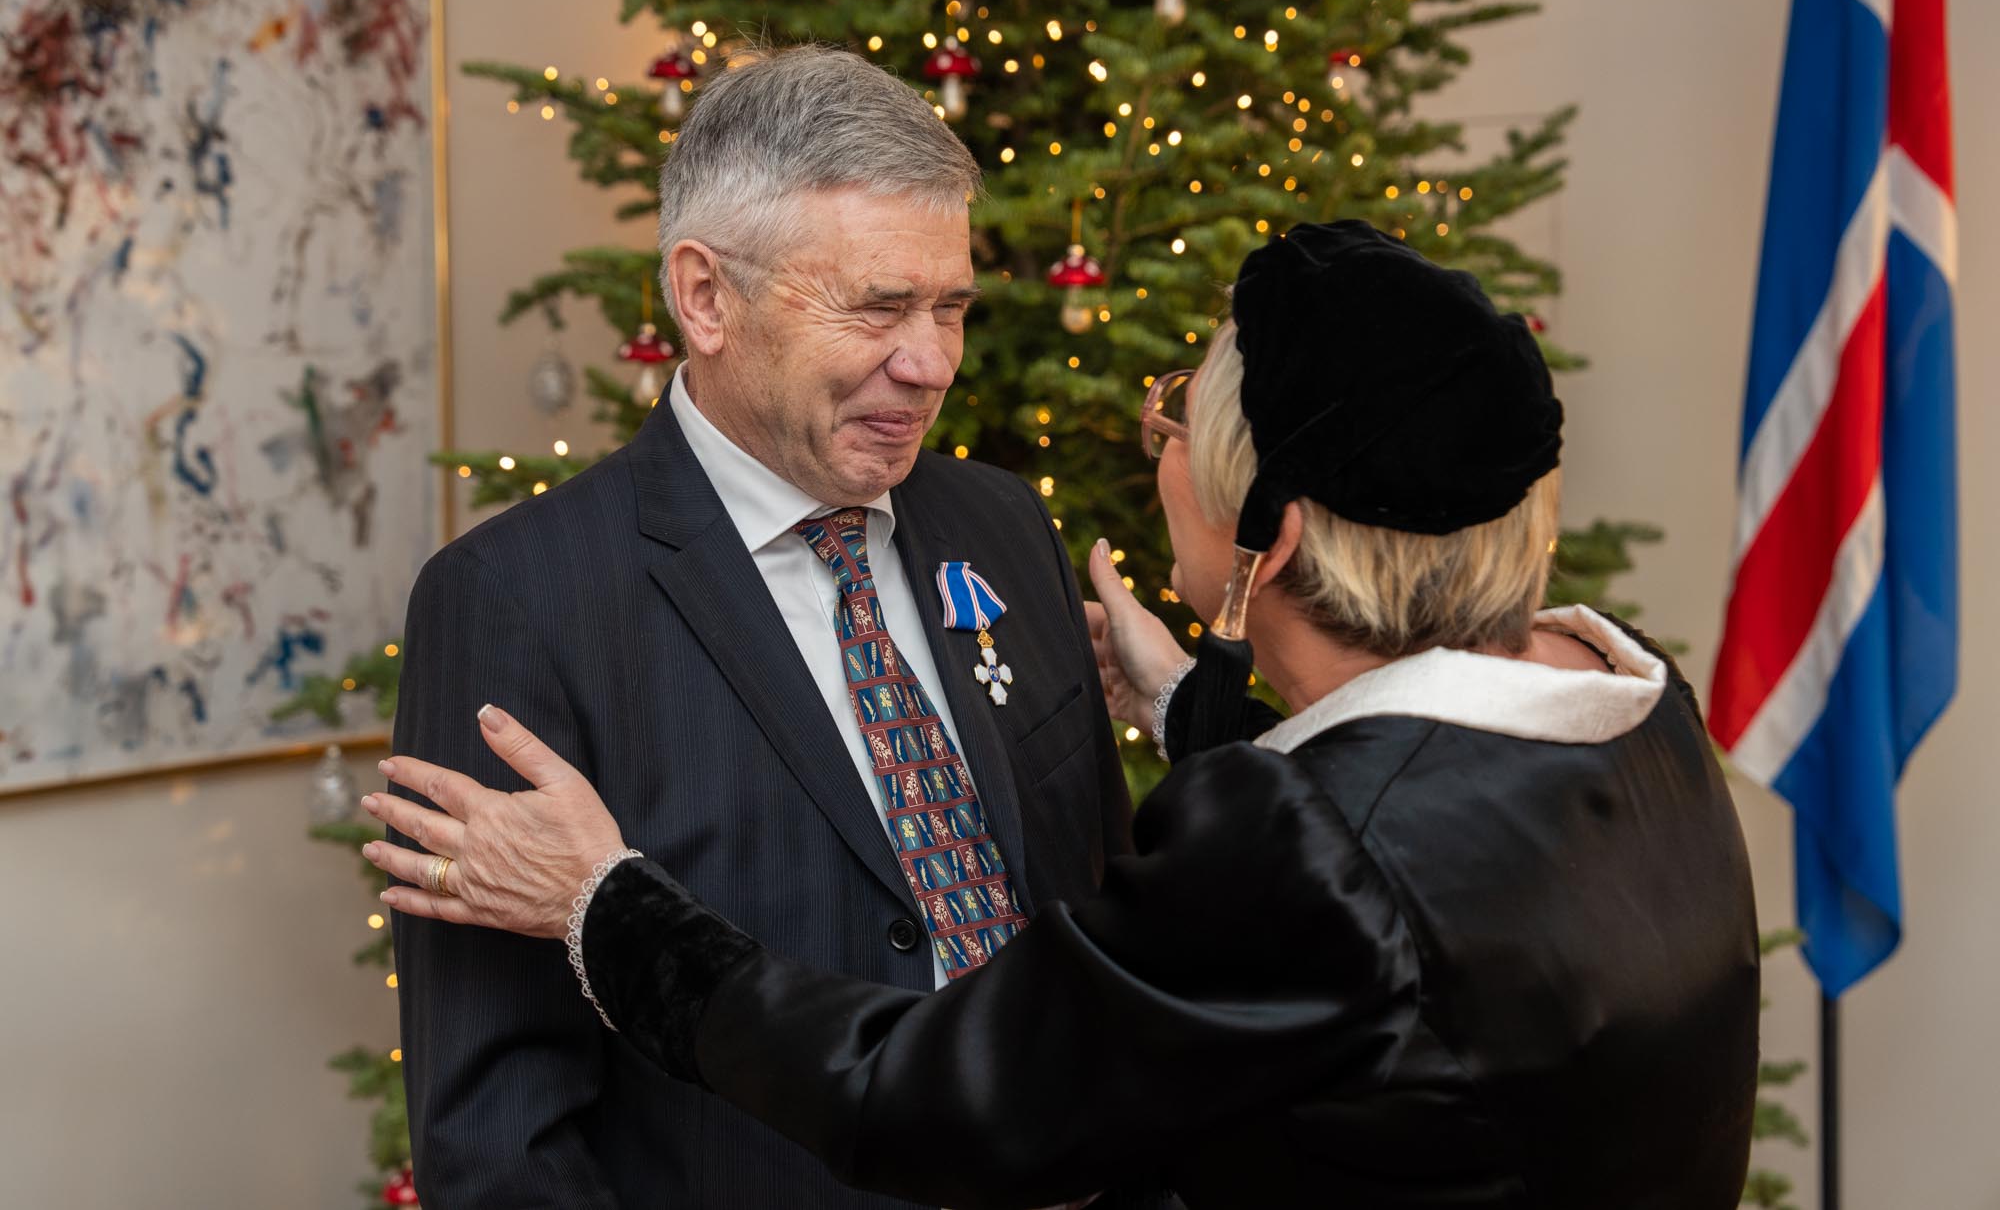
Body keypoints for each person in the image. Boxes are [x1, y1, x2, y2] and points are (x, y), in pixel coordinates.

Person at [365, 221, 1762, 1209]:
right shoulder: (1627, 707)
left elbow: (929, 1092)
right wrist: (1196, 706)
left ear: (1266, 541)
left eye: (1182, 422)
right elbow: (1420, 875)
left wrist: (605, 906)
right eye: (876, 306)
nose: (929, 363)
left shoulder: (1302, 853)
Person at [386, 45, 1133, 1208]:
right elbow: (500, 1139)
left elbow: (1104, 917)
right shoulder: (520, 600)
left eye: (949, 308)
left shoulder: (999, 524)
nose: (930, 362)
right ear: (705, 298)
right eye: (878, 306)